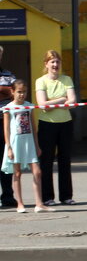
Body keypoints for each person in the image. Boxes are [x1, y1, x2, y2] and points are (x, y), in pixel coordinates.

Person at [2, 79, 50, 213]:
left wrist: (37, 145)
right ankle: (20, 204)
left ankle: (39, 203)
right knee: (17, 173)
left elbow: (33, 128)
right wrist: (9, 147)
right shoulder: (8, 108)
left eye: (24, 92)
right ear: (12, 92)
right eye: (19, 92)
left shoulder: (29, 106)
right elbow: (6, 129)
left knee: (37, 171)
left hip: (29, 143)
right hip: (15, 143)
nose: (22, 95)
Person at [35, 50, 75, 207]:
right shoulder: (41, 81)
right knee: (46, 161)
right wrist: (61, 99)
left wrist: (53, 103)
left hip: (65, 124)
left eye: (57, 61)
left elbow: (72, 101)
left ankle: (66, 196)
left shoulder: (66, 79)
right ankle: (47, 197)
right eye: (52, 61)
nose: (55, 64)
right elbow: (43, 105)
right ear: (46, 64)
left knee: (65, 160)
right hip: (47, 125)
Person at [0, 45, 16, 207]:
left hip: (5, 122)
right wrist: (4, 91)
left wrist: (6, 92)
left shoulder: (8, 74)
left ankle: (7, 196)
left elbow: (16, 93)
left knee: (5, 160)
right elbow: (8, 93)